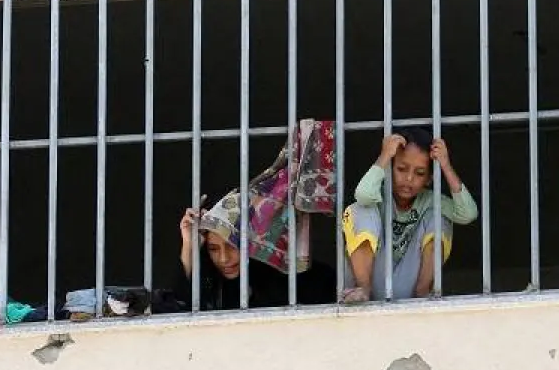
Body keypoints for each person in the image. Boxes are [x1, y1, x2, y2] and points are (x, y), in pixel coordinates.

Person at [341, 128, 479, 301]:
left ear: (429, 179)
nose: (409, 179)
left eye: (419, 173)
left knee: (438, 218)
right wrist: (384, 156)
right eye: (401, 169)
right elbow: (362, 195)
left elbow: (468, 214)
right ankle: (363, 288)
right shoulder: (378, 195)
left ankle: (423, 291)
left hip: (408, 284)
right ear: (389, 169)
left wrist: (445, 165)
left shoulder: (429, 201)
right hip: (370, 278)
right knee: (361, 208)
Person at [174, 195, 336, 311]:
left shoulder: (303, 279)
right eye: (213, 249)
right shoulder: (211, 281)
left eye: (233, 246)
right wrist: (189, 246)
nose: (223, 259)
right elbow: (180, 309)